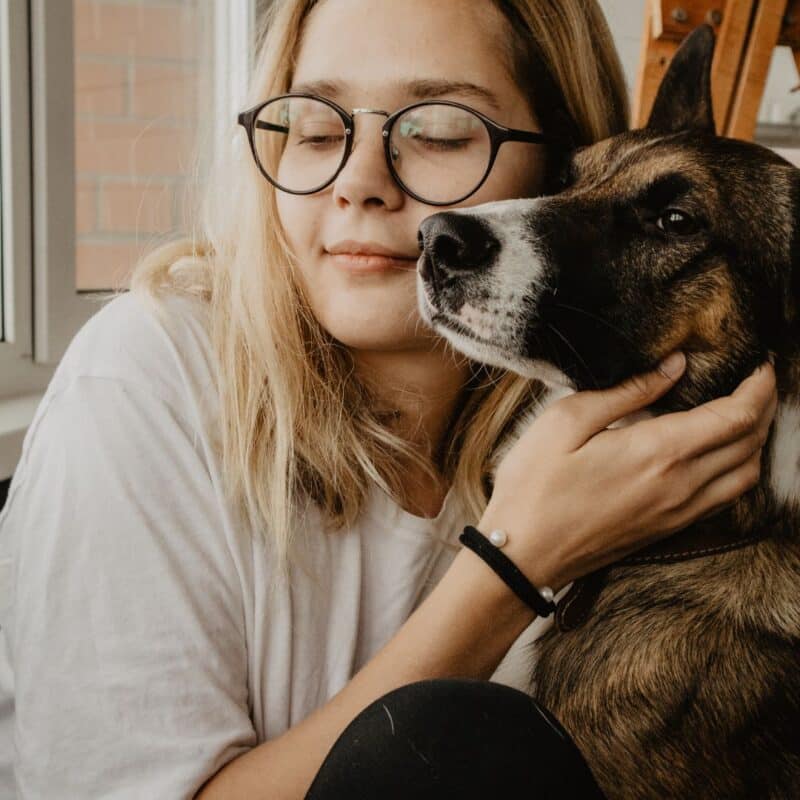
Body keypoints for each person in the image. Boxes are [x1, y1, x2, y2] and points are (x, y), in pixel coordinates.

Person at [0, 0, 778, 798]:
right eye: (314, 127)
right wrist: (515, 564)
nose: (359, 182)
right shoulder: (142, 380)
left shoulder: (586, 437)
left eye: (438, 132)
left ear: (566, 168)